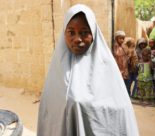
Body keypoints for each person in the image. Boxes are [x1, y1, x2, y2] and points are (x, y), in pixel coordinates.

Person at [37, 4, 139, 136]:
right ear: (64, 33)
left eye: (84, 32)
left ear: (94, 33)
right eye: (71, 32)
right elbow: (49, 113)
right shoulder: (56, 69)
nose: (77, 39)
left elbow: (120, 113)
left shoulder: (107, 67)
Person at [113, 31, 132, 95]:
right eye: (120, 38)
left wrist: (128, 57)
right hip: (118, 66)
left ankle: (126, 93)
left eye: (123, 38)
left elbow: (128, 53)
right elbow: (115, 55)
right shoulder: (115, 47)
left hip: (125, 66)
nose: (122, 40)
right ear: (116, 38)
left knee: (126, 81)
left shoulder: (124, 46)